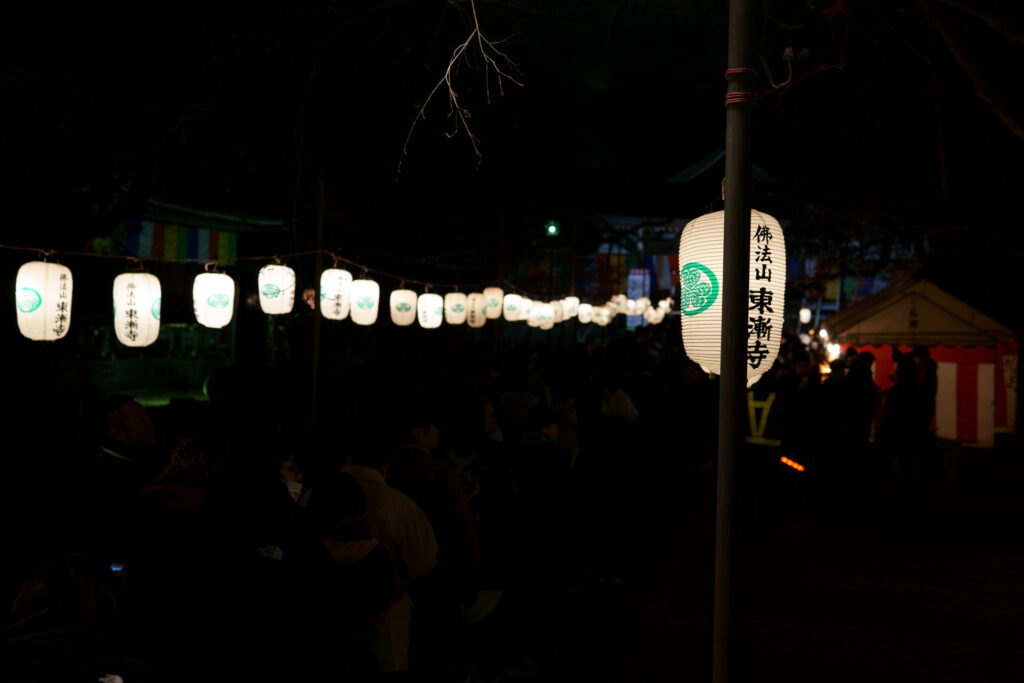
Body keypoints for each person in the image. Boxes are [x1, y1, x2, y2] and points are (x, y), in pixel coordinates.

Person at [386, 401, 482, 681]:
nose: (438, 432)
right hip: (440, 576)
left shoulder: (391, 471)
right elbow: (462, 527)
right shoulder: (439, 473)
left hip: (397, 578)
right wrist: (472, 573)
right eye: (433, 427)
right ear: (418, 432)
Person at [342, 435, 438, 678]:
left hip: (327, 612)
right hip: (386, 617)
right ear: (387, 465)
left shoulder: (315, 495)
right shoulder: (397, 504)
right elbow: (421, 563)